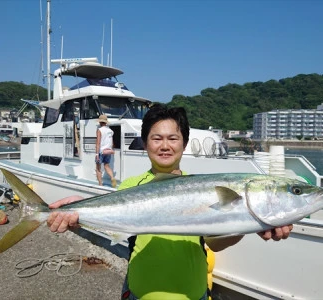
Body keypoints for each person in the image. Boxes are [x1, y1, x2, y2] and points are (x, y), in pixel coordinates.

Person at [47, 104, 293, 299]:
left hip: (192, 295)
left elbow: (216, 245)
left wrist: (250, 225)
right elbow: (113, 216)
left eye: (173, 138)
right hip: (139, 294)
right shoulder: (132, 186)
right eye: (157, 138)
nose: (165, 146)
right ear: (146, 143)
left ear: (184, 144)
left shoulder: (200, 188)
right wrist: (77, 210)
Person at [95, 114, 116, 187]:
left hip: (101, 151)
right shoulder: (110, 131)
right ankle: (112, 178)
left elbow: (98, 142)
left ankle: (100, 184)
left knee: (98, 168)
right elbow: (112, 143)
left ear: (100, 122)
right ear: (106, 122)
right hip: (108, 151)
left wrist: (97, 154)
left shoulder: (99, 130)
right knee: (106, 166)